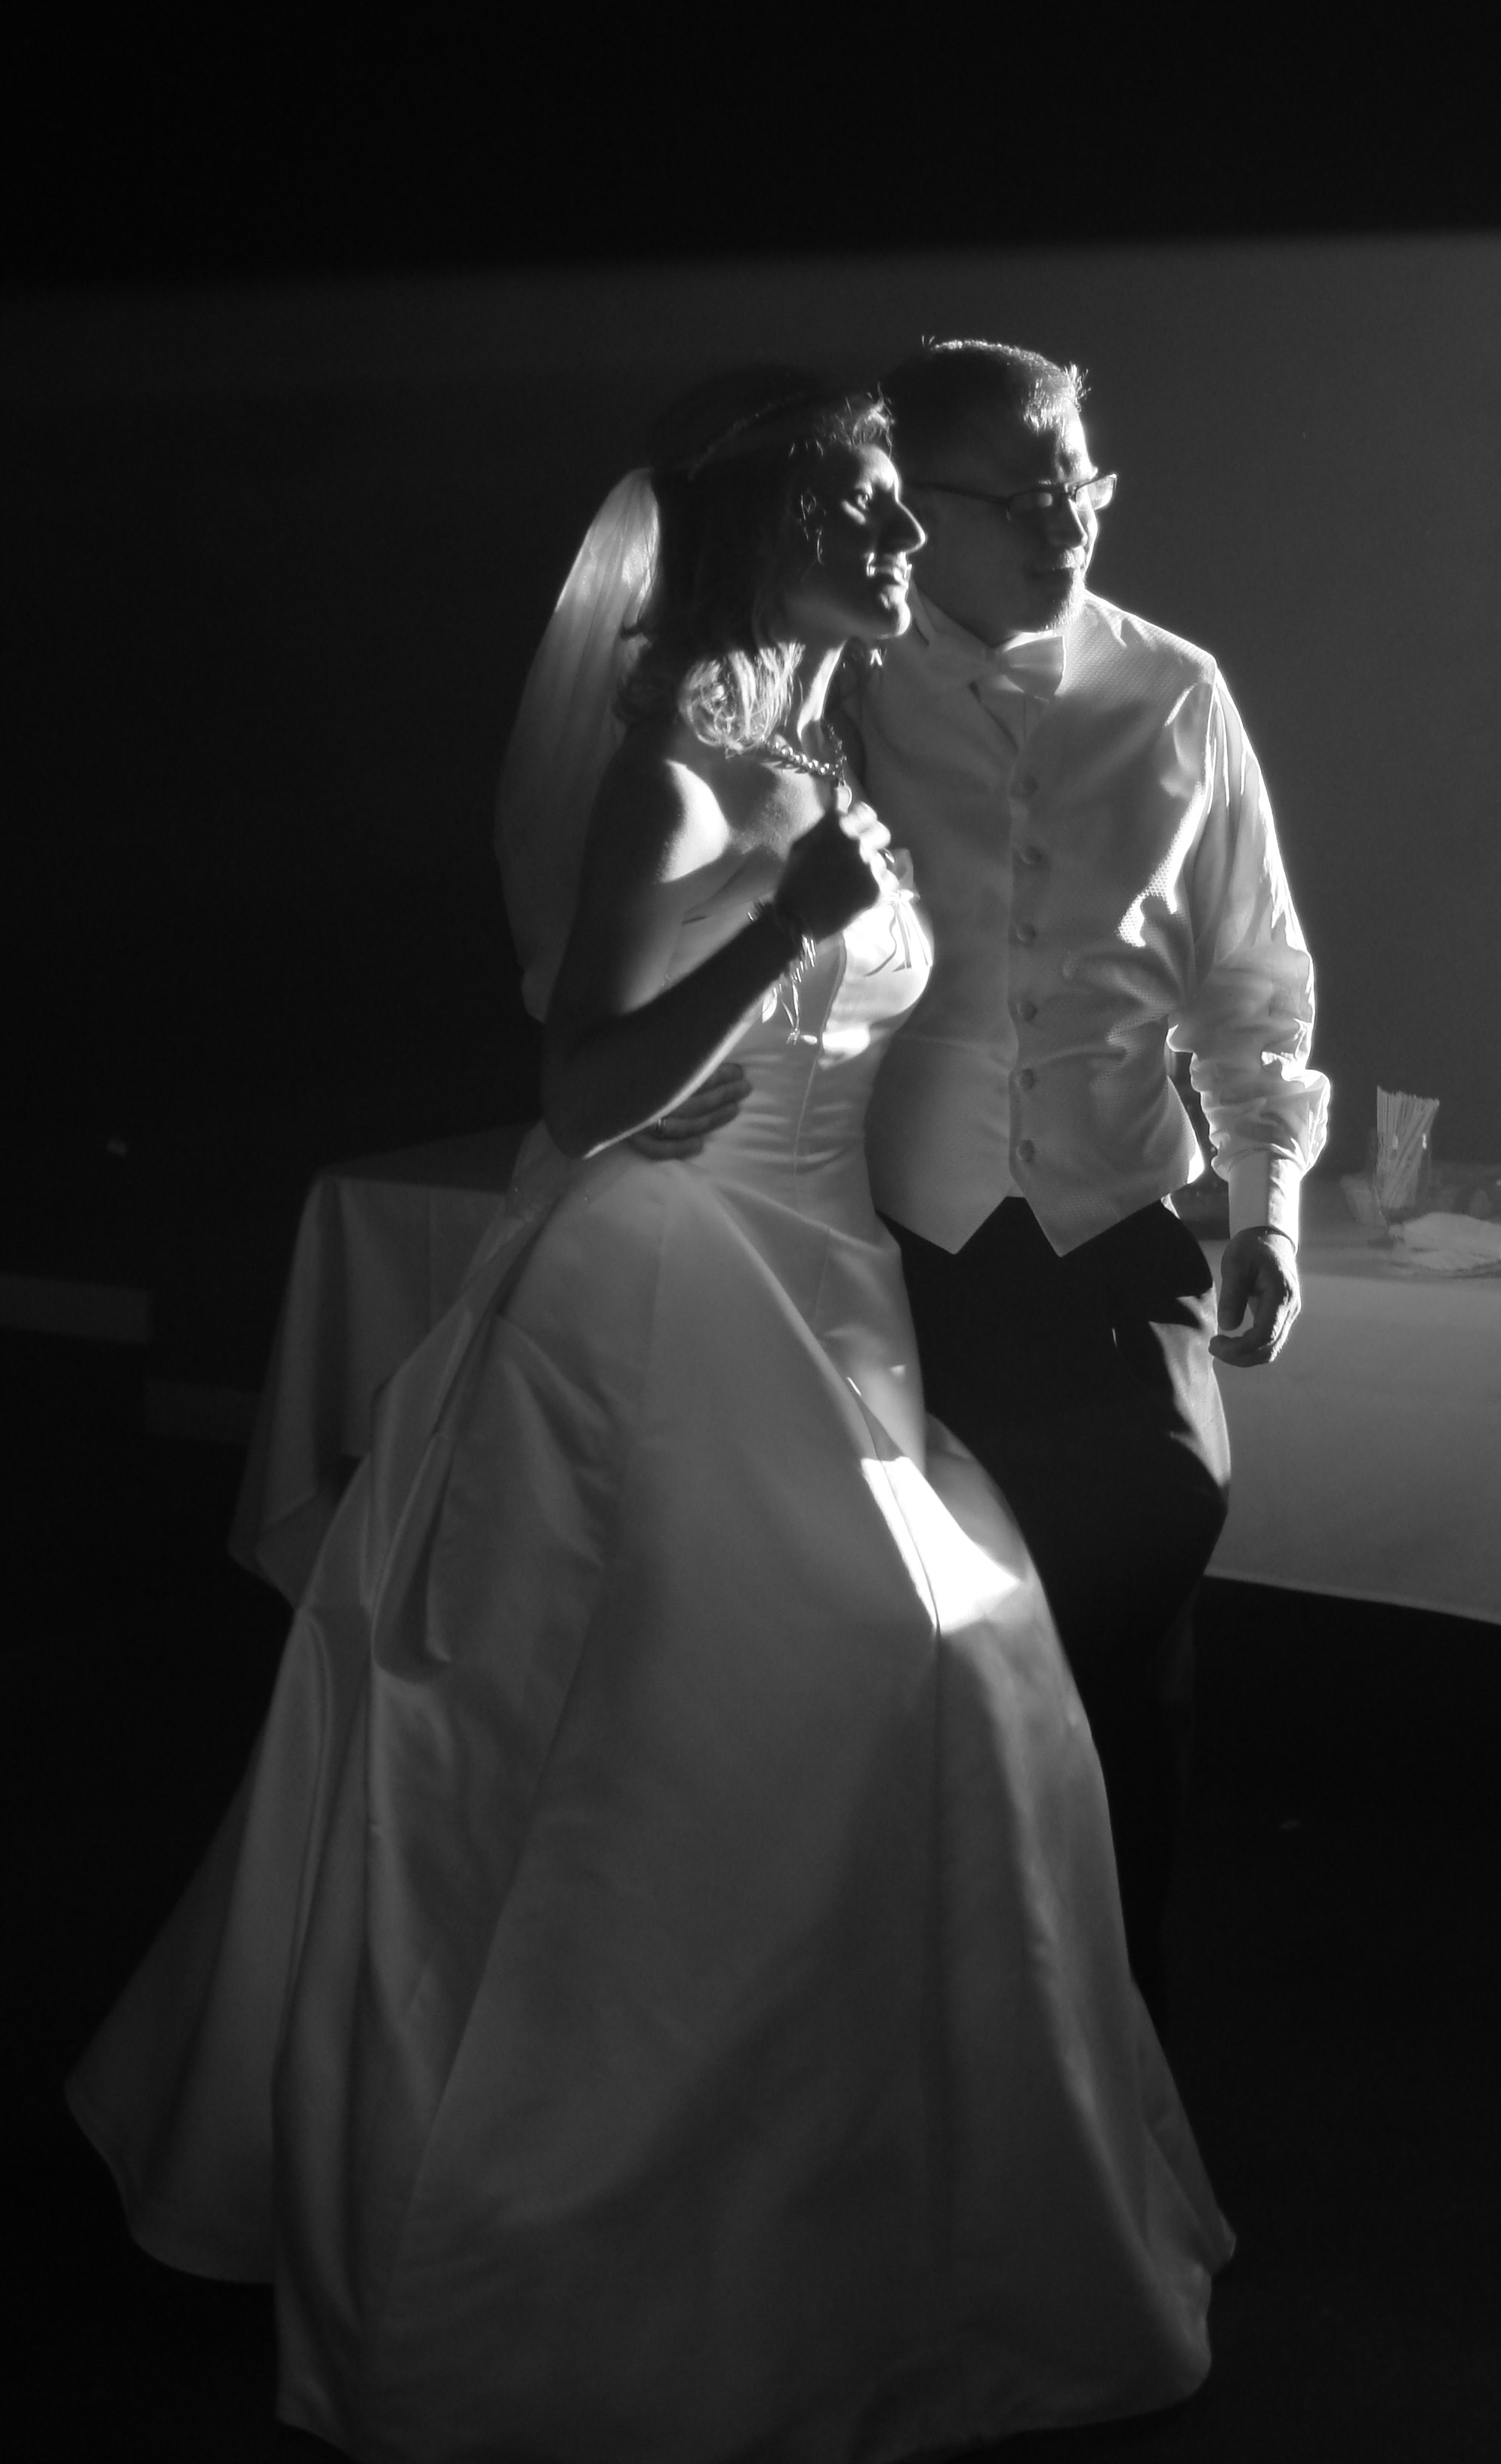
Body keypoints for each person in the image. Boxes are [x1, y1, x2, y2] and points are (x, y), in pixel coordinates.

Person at [65, 371, 1232, 2464]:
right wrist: (786, 930)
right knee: (719, 1731)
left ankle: (856, 2220)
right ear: (759, 534)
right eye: (860, 510)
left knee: (924, 1699)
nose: (900, 541)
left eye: (903, 508)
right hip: (671, 1300)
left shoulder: (807, 748)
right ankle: (564, 2227)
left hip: (827, 1286)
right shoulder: (678, 785)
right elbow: (590, 1096)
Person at [854, 340, 1330, 2033]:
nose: (1066, 525)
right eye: (1021, 497)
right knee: (912, 1651)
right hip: (891, 1251)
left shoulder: (1175, 691)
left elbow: (1255, 983)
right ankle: (936, 2010)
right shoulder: (837, 683)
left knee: (1133, 1611)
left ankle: (1114, 2022)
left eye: (1080, 486)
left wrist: (1266, 1207)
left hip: (1115, 1234)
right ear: (914, 505)